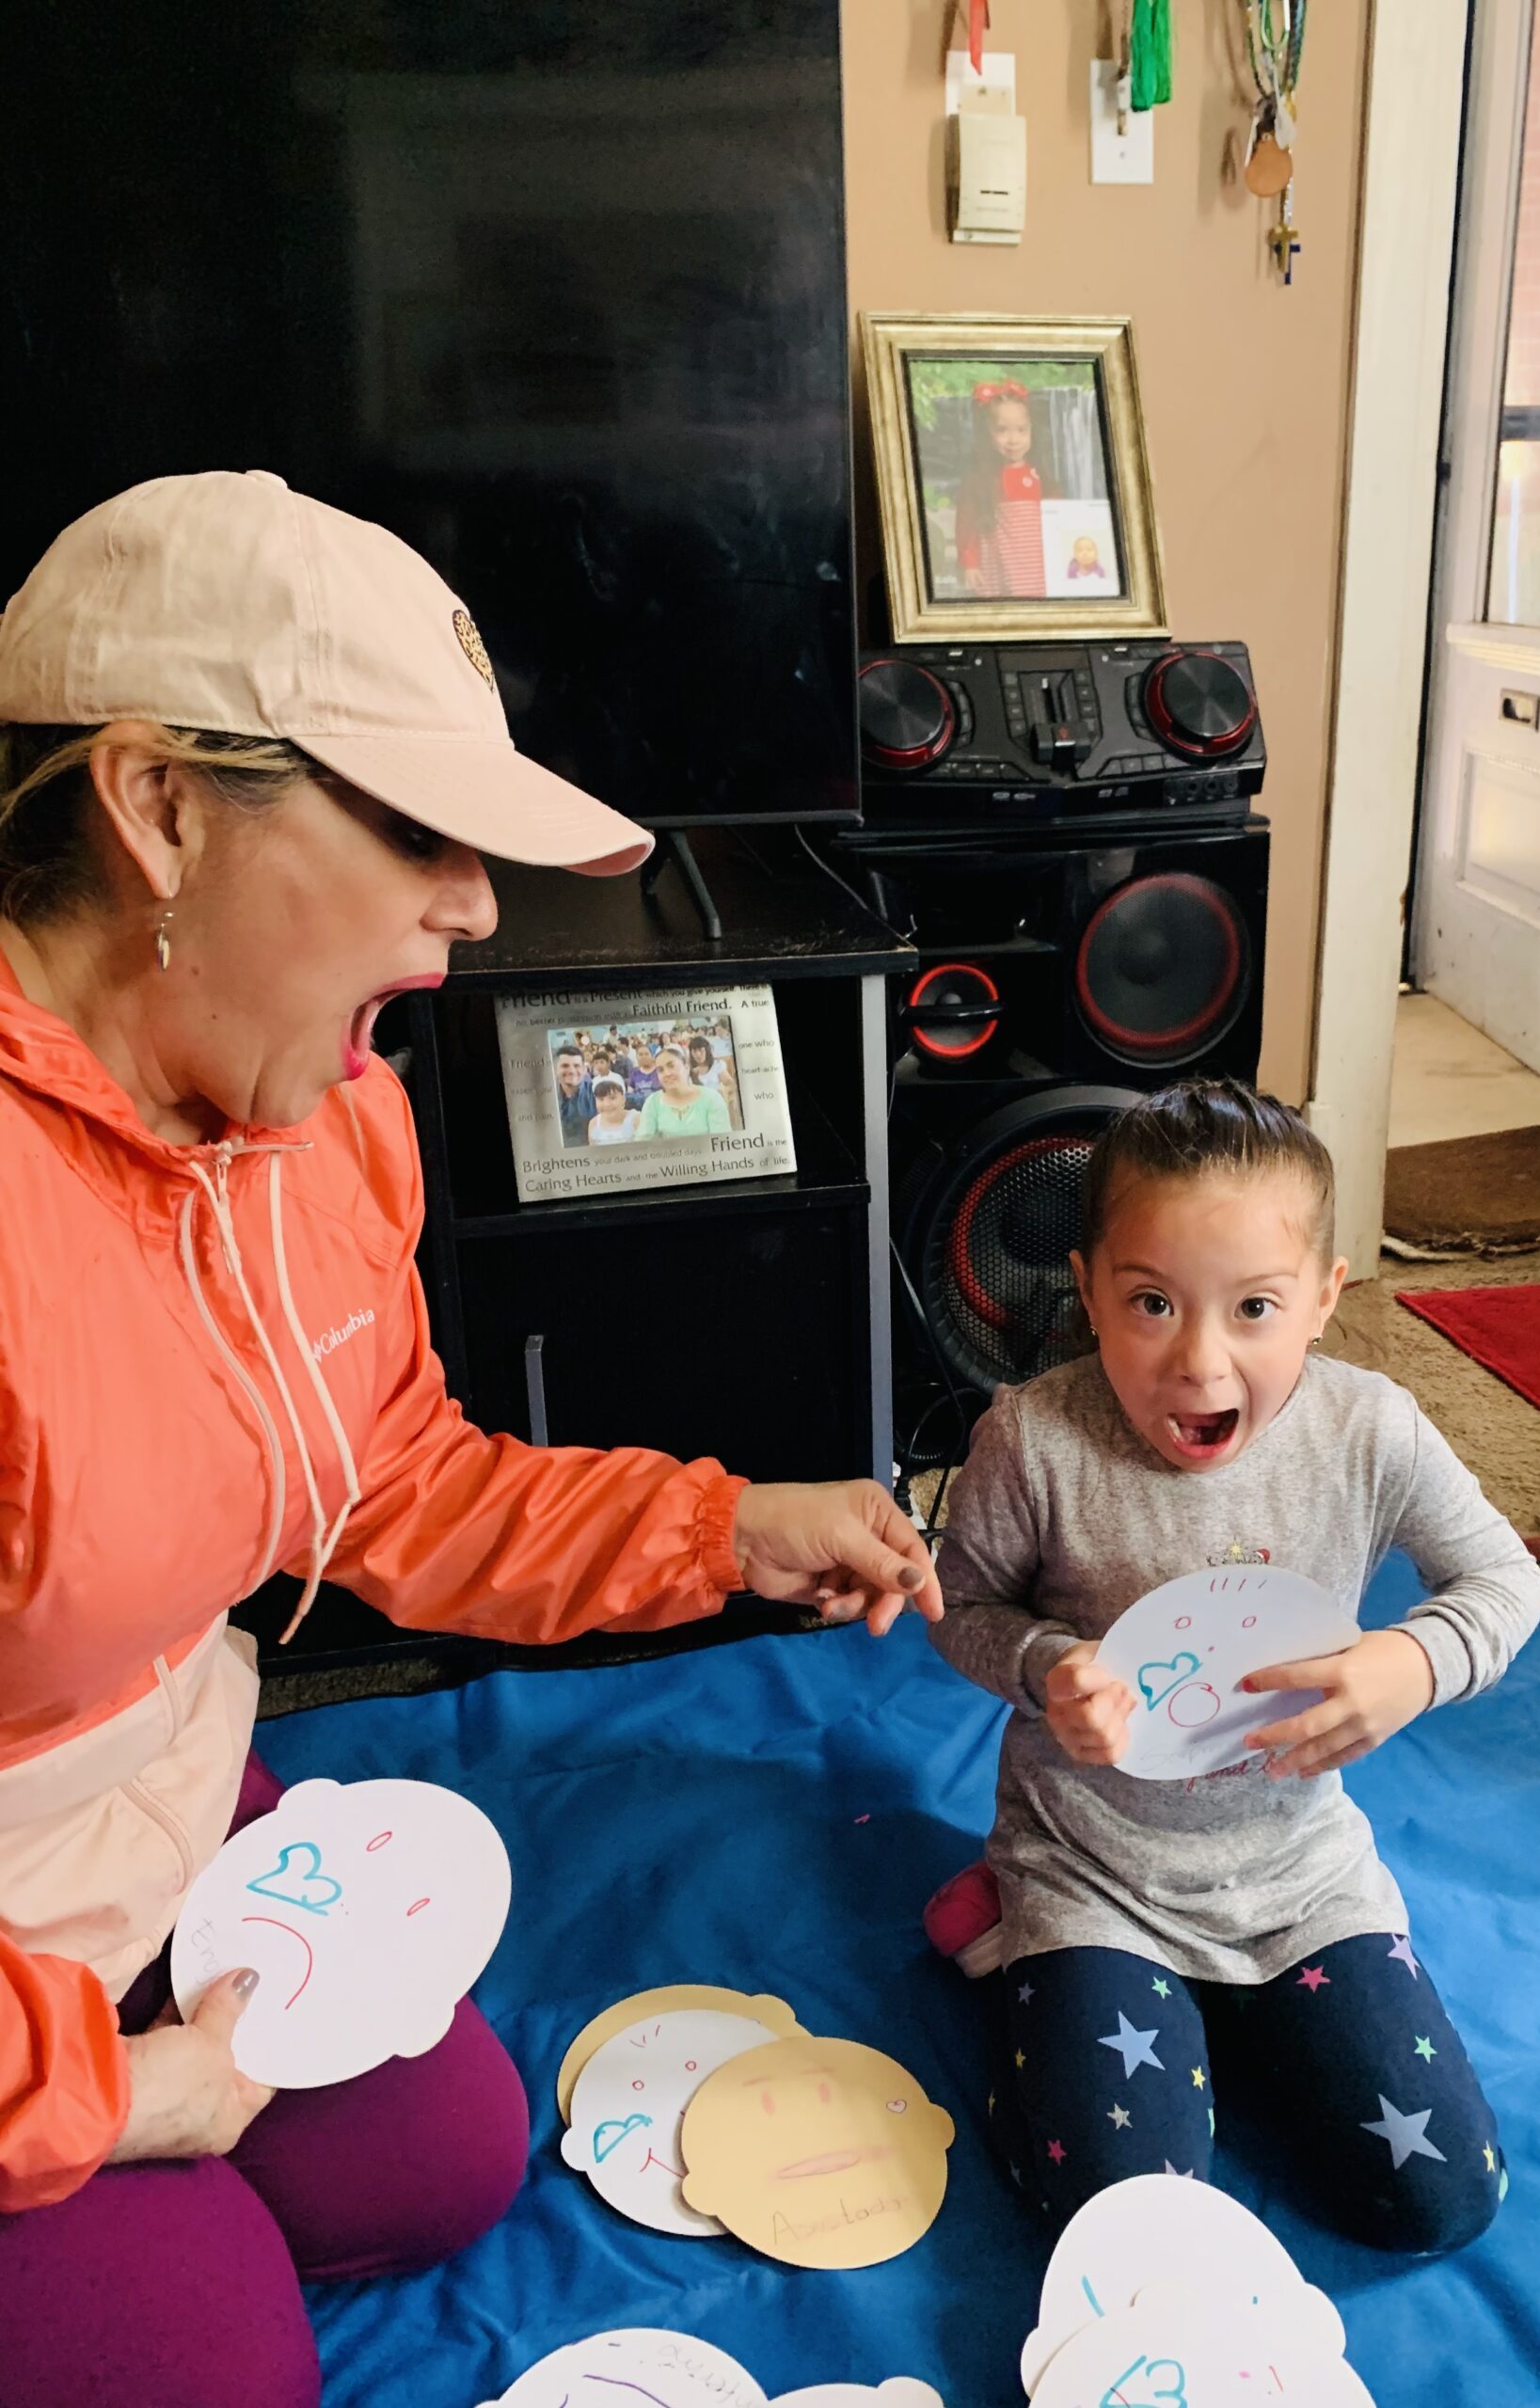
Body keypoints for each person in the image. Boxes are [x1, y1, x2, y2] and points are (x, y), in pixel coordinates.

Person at [0, 470, 941, 2408]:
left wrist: (728, 1528)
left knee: (438, 2157)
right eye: (419, 827)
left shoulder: (323, 1114)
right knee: (204, 2362)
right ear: (158, 806)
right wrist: (94, 2082)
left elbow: (398, 1477)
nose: (477, 905)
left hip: (154, 1826)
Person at [925, 1081, 1540, 2251]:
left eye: (1254, 1306)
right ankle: (1017, 1926)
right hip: (1091, 1870)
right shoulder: (1032, 1435)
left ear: (1323, 1298)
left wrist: (1414, 1659)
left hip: (1299, 1876)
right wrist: (1050, 1663)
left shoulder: (1373, 1429)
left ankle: (1245, 2020)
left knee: (1442, 2198)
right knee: (1118, 2215)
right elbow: (958, 1604)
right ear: (1089, 1290)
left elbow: (1506, 1584)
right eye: (1151, 1302)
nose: (1199, 1363)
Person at [954, 380, 1055, 600]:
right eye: (1002, 430)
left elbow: (1059, 520)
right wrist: (969, 562)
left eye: (1021, 430)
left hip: (1038, 568)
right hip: (999, 565)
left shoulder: (1040, 477)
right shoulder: (980, 481)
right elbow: (967, 524)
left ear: (1032, 431)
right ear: (986, 433)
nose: (1013, 440)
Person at [636, 1044, 731, 1139]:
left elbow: (723, 1143)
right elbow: (643, 1144)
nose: (667, 1074)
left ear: (686, 1068)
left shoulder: (711, 1098)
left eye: (671, 1066)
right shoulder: (652, 1102)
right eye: (660, 1070)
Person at [552, 1040, 593, 1147]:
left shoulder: (596, 1093)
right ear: (555, 1069)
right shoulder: (547, 1098)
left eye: (576, 1066)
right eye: (565, 1066)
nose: (571, 1070)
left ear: (584, 1069)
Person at [587, 1072, 639, 1145]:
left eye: (612, 1098)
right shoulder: (594, 1123)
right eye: (601, 1099)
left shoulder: (635, 1119)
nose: (607, 1104)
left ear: (623, 1098)